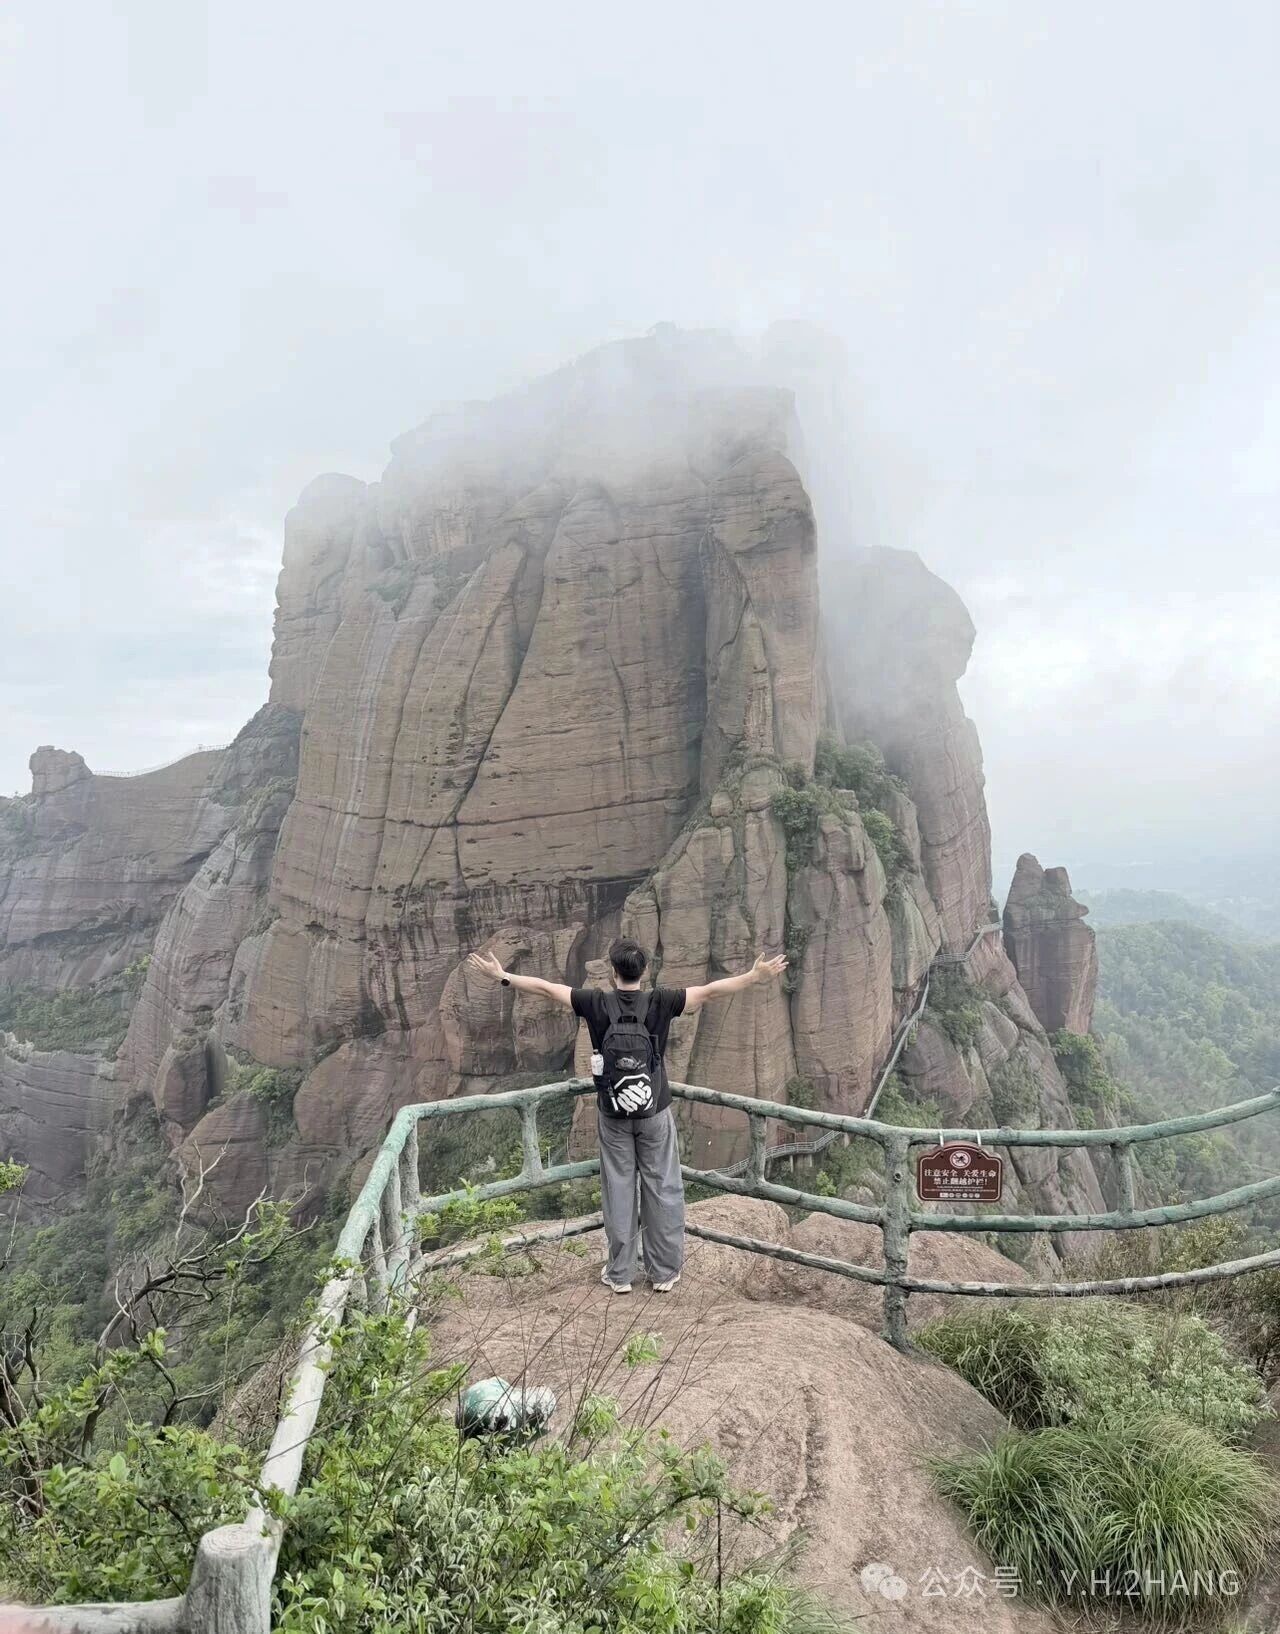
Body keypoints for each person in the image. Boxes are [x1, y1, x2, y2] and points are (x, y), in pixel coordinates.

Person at [466, 938, 788, 1294]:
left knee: (619, 1189)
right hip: (654, 1110)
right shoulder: (662, 1001)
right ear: (644, 971)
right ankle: (664, 1272)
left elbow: (545, 989)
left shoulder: (595, 1002)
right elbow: (711, 991)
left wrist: (503, 976)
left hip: (613, 1112)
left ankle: (620, 1275)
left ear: (613, 971)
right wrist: (755, 976)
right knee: (662, 1187)